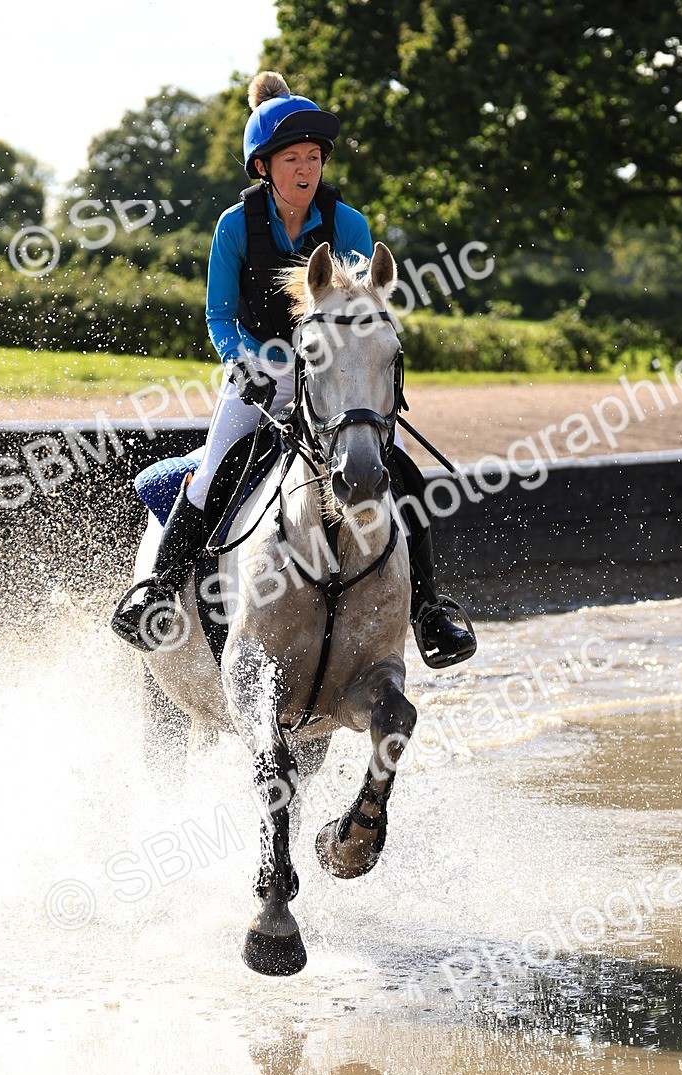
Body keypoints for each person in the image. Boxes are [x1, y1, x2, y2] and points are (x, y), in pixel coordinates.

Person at [111, 71, 476, 668]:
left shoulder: (348, 224)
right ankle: (156, 592)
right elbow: (218, 316)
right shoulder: (234, 226)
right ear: (263, 166)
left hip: (334, 373)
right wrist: (240, 363)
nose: (306, 170)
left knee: (398, 472)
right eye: (292, 159)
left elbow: (361, 312)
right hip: (263, 372)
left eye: (314, 158)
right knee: (210, 474)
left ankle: (430, 611)